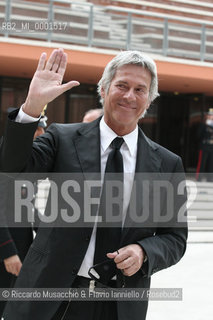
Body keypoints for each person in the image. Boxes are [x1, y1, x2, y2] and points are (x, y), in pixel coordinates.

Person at [0, 48, 187, 320]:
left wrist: (144, 251)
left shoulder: (168, 164)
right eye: (121, 85)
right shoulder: (62, 139)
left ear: (149, 99)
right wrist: (31, 108)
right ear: (103, 88)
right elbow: (11, 169)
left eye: (140, 89)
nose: (129, 96)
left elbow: (176, 238)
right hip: (49, 298)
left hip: (118, 306)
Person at [0, 114, 47, 319]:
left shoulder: (26, 159)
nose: (42, 133)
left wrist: (49, 231)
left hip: (21, 246)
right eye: (37, 129)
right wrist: (8, 252)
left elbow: (26, 207)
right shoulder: (4, 155)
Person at [196, 108, 213, 181]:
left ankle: (210, 178)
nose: (210, 116)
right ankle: (199, 178)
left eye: (211, 115)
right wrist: (205, 126)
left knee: (211, 163)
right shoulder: (203, 124)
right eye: (209, 115)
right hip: (204, 145)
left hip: (212, 146)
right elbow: (198, 135)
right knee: (202, 163)